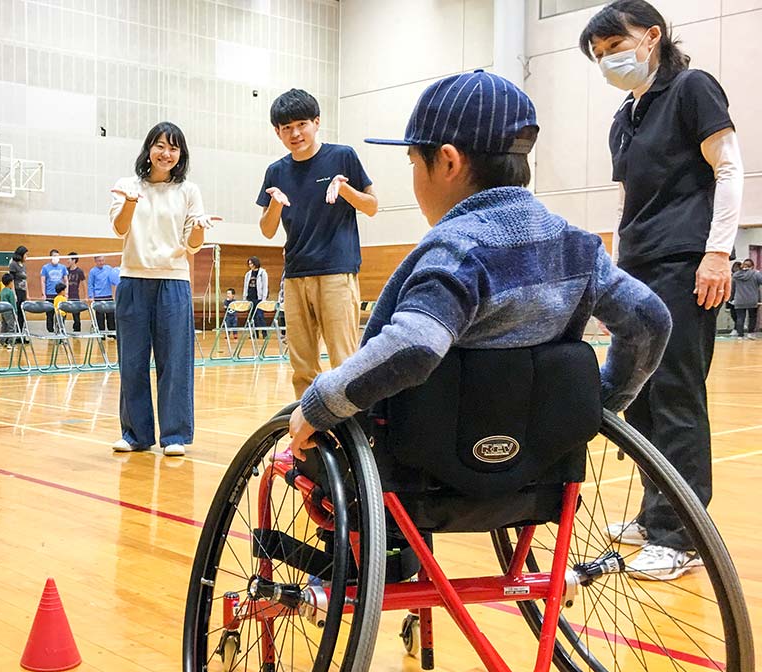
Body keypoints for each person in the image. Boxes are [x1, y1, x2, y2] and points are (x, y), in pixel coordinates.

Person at [286, 69, 673, 578]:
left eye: (412, 163)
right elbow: (649, 321)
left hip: (420, 481)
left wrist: (319, 403)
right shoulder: (578, 248)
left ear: (447, 160)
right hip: (540, 475)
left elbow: (413, 348)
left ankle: (363, 564)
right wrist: (597, 405)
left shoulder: (457, 251)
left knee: (307, 438)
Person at [580, 0, 744, 578]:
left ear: (652, 36)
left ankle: (683, 534)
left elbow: (728, 168)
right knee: (641, 396)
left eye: (614, 46)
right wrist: (612, 280)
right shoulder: (624, 117)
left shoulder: (693, 88)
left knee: (675, 394)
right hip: (639, 265)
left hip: (685, 261)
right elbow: (629, 203)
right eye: (598, 56)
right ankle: (655, 516)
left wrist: (717, 252)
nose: (607, 61)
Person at [258, 88, 379, 401]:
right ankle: (308, 443)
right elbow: (267, 231)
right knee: (302, 366)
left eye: (301, 124)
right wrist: (276, 205)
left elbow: (372, 206)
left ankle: (353, 437)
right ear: (277, 132)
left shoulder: (342, 156)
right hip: (296, 274)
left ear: (316, 122)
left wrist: (344, 189)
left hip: (337, 272)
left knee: (345, 361)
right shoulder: (276, 171)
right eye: (286, 128)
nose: (295, 133)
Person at [109, 121, 220, 457]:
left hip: (173, 280)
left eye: (174, 148)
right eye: (160, 145)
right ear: (149, 148)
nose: (166, 153)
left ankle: (174, 435)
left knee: (175, 361)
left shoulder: (189, 191)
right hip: (133, 280)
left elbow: (193, 244)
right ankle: (135, 434)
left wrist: (200, 229)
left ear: (180, 154)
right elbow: (118, 229)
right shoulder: (127, 185)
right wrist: (130, 202)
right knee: (133, 361)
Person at [731, 259, 761, 339]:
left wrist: (731, 298)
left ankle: (740, 335)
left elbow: (732, 288)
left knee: (740, 318)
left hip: (739, 299)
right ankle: (750, 333)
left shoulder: (736, 275)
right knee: (752, 317)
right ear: (752, 266)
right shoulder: (756, 274)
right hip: (752, 299)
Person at [88, 255, 119, 333]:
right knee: (100, 317)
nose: (101, 262)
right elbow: (90, 284)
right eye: (99, 261)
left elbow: (114, 279)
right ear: (95, 261)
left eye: (102, 260)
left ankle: (112, 332)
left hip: (108, 296)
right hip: (98, 297)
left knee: (111, 315)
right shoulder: (93, 271)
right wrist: (91, 296)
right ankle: (101, 333)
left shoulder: (109, 268)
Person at [40, 249, 68, 333]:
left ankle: (60, 330)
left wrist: (66, 293)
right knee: (50, 314)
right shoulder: (45, 267)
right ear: (51, 257)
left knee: (61, 314)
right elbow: (43, 281)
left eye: (58, 256)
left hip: (60, 295)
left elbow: (66, 280)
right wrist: (43, 293)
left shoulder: (63, 267)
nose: (57, 258)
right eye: (55, 256)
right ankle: (50, 332)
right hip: (49, 295)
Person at [243, 256, 269, 329]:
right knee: (252, 317)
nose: (250, 265)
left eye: (251, 263)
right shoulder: (248, 274)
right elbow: (245, 286)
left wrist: (264, 298)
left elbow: (265, 286)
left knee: (260, 316)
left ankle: (264, 333)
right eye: (249, 264)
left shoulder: (262, 273)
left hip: (258, 298)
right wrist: (245, 298)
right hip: (250, 298)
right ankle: (255, 334)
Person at [9, 245, 29, 331]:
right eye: (26, 254)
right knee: (16, 313)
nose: (27, 256)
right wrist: (14, 293)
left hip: (23, 292)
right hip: (17, 291)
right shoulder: (13, 264)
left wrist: (27, 294)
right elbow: (11, 280)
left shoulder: (23, 266)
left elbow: (25, 281)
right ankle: (14, 332)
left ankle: (20, 333)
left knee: (22, 313)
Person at [65, 252, 86, 332]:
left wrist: (86, 296)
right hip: (66, 296)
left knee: (76, 315)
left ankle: (77, 330)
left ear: (74, 260)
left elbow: (84, 283)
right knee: (63, 314)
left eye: (69, 259)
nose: (67, 261)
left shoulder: (79, 271)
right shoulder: (65, 270)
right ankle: (61, 330)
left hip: (75, 296)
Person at [0, 273, 18, 347]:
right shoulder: (10, 292)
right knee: (11, 328)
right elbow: (13, 304)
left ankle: (1, 342)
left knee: (3, 327)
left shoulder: (1, 292)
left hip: (3, 312)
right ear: (10, 282)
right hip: (9, 312)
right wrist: (15, 312)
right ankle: (10, 343)